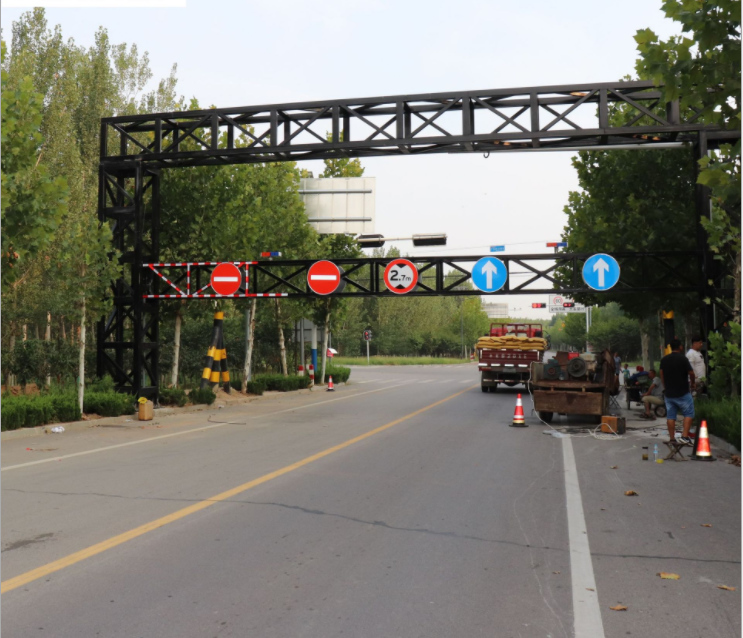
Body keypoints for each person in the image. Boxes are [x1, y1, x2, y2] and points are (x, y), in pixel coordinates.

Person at [659, 338, 696, 445]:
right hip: (682, 392)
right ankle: (684, 436)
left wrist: (665, 386)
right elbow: (691, 373)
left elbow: (662, 374)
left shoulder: (664, 360)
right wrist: (693, 383)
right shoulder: (683, 359)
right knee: (689, 413)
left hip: (669, 393)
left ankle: (672, 439)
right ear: (680, 347)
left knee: (671, 416)